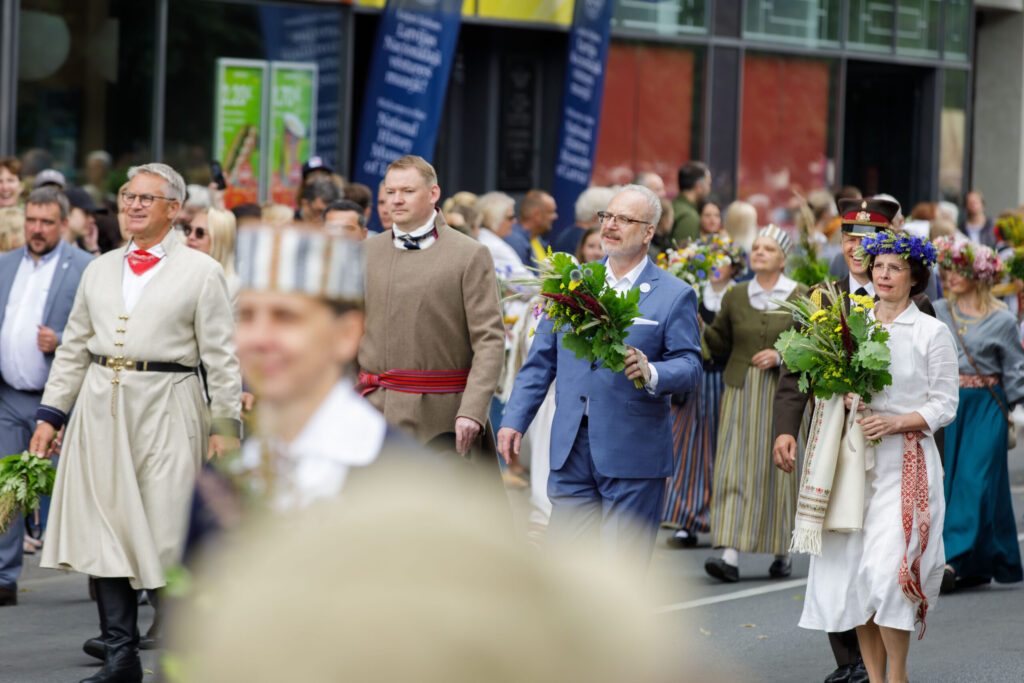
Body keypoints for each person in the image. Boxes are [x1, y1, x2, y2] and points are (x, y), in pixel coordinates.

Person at [29, 162, 242, 683]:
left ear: (173, 210)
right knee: (109, 534)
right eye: (128, 197)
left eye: (148, 199)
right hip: (101, 411)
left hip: (170, 406)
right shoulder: (98, 268)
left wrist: (226, 426)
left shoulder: (201, 271)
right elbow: (75, 347)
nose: (134, 206)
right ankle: (121, 657)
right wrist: (51, 415)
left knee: (167, 534)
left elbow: (222, 357)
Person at [498, 184, 703, 564]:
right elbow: (541, 362)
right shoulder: (570, 285)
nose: (610, 225)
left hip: (633, 451)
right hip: (571, 446)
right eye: (607, 216)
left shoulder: (674, 294)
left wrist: (652, 371)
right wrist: (514, 421)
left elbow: (690, 367)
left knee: (618, 575)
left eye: (624, 219)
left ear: (647, 232)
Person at [773, 198, 925, 683]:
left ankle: (879, 665)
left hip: (892, 446)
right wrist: (784, 428)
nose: (858, 248)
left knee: (881, 553)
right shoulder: (820, 297)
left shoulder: (918, 305)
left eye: (870, 240)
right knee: (838, 549)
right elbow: (795, 371)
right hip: (832, 442)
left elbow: (930, 388)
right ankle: (852, 661)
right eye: (850, 239)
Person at [799, 231, 958, 683]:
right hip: (853, 464)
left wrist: (896, 421)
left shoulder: (931, 331)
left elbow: (945, 404)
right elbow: (827, 384)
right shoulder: (852, 325)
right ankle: (874, 674)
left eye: (895, 268)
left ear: (915, 277)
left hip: (905, 462)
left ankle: (898, 675)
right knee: (855, 577)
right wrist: (843, 396)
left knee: (888, 574)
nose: (883, 275)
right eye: (879, 266)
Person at [357, 155, 506, 488]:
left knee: (440, 528)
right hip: (372, 411)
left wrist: (472, 410)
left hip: (442, 419)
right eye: (390, 192)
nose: (396, 200)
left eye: (407, 191)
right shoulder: (365, 253)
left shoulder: (469, 254)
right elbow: (346, 331)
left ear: (433, 193)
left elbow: (490, 340)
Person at [0, 188, 93, 607]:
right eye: (32, 221)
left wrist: (61, 341)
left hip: (61, 401)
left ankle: (102, 571)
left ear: (64, 223)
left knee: (72, 490)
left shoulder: (85, 269)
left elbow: (100, 336)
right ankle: (4, 576)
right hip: (8, 395)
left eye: (46, 222)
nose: (36, 230)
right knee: (6, 487)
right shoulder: (5, 265)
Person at [703, 225, 806, 583]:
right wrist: (695, 321)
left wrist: (781, 355)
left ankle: (782, 552)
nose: (759, 253)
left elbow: (812, 345)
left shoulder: (801, 295)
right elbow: (717, 343)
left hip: (784, 394)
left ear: (782, 258)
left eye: (768, 248)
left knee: (777, 472)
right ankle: (729, 554)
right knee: (735, 467)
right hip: (740, 391)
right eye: (756, 247)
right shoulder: (734, 294)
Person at [932, 237, 1024, 594]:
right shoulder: (938, 309)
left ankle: (950, 560)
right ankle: (975, 564)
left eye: (961, 270)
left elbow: (1015, 368)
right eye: (949, 269)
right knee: (950, 482)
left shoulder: (1002, 318)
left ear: (980, 275)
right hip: (949, 404)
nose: (952, 276)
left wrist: (1011, 409)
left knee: (974, 480)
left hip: (987, 406)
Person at [663, 236, 745, 548]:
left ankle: (721, 519)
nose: (715, 266)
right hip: (696, 381)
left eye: (722, 259)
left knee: (722, 450)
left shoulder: (739, 295)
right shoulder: (693, 293)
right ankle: (688, 520)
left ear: (734, 265)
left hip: (725, 379)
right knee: (689, 450)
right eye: (711, 260)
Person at [186, 208, 241, 306]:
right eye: (188, 230)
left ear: (219, 239)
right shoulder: (181, 272)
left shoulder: (231, 285)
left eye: (200, 233)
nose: (191, 236)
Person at [551, 186, 615, 255]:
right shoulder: (583, 238)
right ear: (597, 217)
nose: (611, 222)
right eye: (608, 216)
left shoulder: (570, 233)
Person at [504, 189, 557, 265]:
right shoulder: (514, 241)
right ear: (536, 215)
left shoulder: (536, 238)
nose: (555, 216)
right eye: (551, 212)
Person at [671, 161, 710, 245]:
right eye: (708, 184)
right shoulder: (689, 216)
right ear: (698, 186)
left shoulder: (673, 206)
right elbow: (683, 255)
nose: (708, 189)